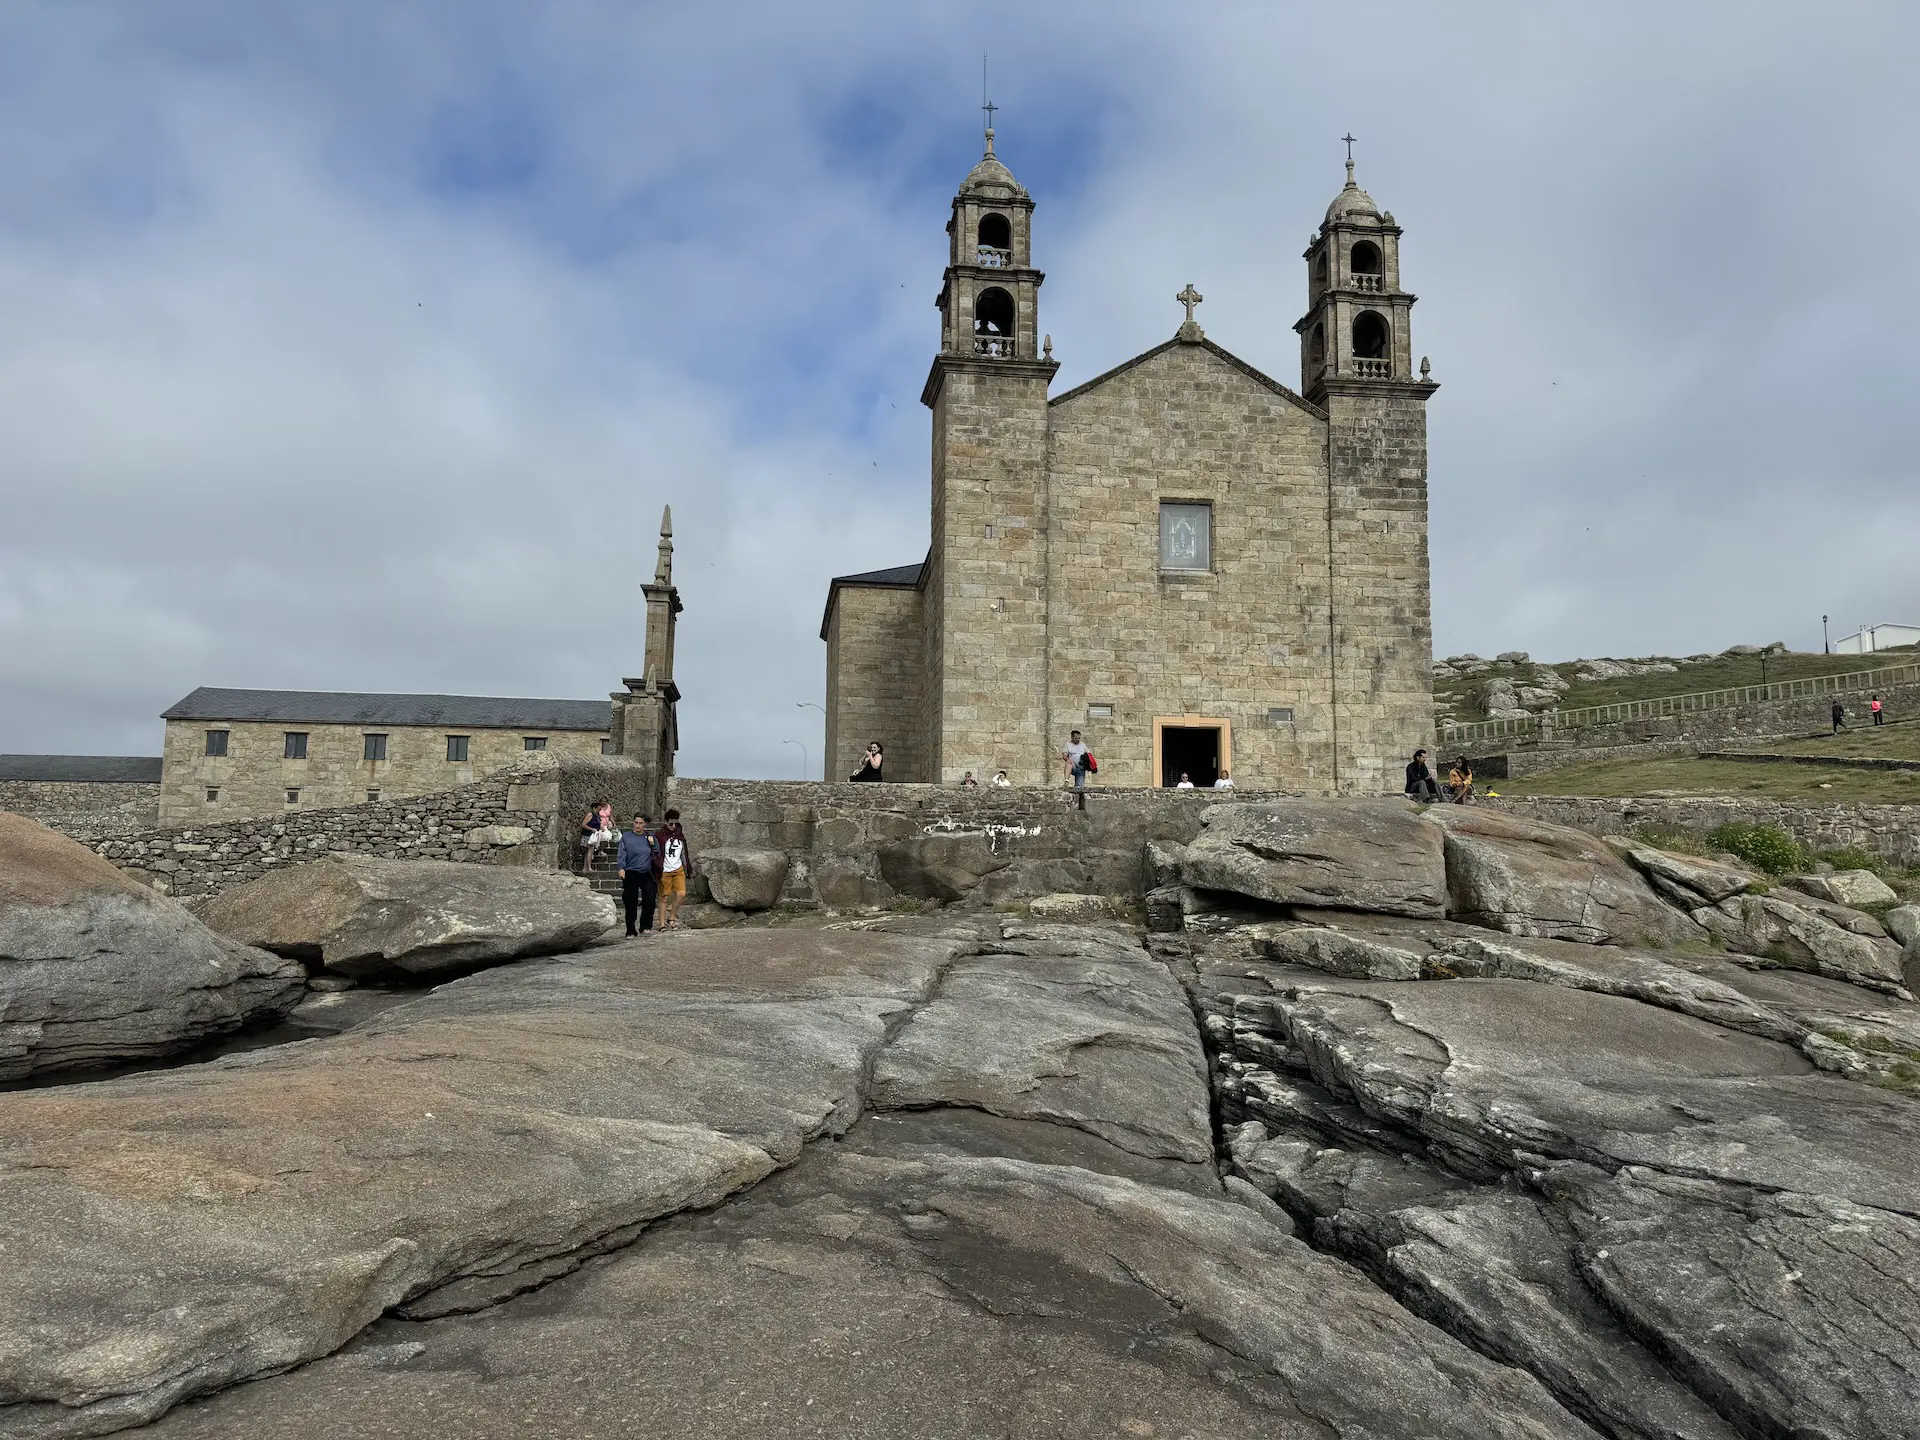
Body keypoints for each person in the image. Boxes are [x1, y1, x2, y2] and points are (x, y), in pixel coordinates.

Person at [616, 815, 657, 937]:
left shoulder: (649, 836)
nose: (637, 825)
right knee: (630, 901)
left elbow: (657, 853)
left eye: (641, 823)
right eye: (636, 822)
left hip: (646, 871)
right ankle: (630, 930)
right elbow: (622, 852)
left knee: (649, 898)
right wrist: (621, 867)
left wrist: (653, 844)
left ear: (645, 824)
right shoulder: (626, 837)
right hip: (630, 871)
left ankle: (646, 926)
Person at [653, 809, 694, 930]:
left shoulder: (679, 834)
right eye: (671, 823)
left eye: (676, 823)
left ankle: (671, 917)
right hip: (665, 870)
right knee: (664, 897)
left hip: (678, 869)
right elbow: (655, 852)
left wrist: (687, 867)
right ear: (666, 822)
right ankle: (661, 924)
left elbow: (684, 852)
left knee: (681, 894)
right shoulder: (659, 835)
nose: (674, 826)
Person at [579, 800, 614, 872]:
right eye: (598, 809)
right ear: (594, 808)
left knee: (588, 851)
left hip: (593, 835)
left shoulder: (596, 816)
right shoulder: (590, 815)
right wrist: (592, 829)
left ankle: (585, 868)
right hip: (588, 835)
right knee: (589, 850)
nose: (599, 811)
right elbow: (583, 824)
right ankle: (589, 867)